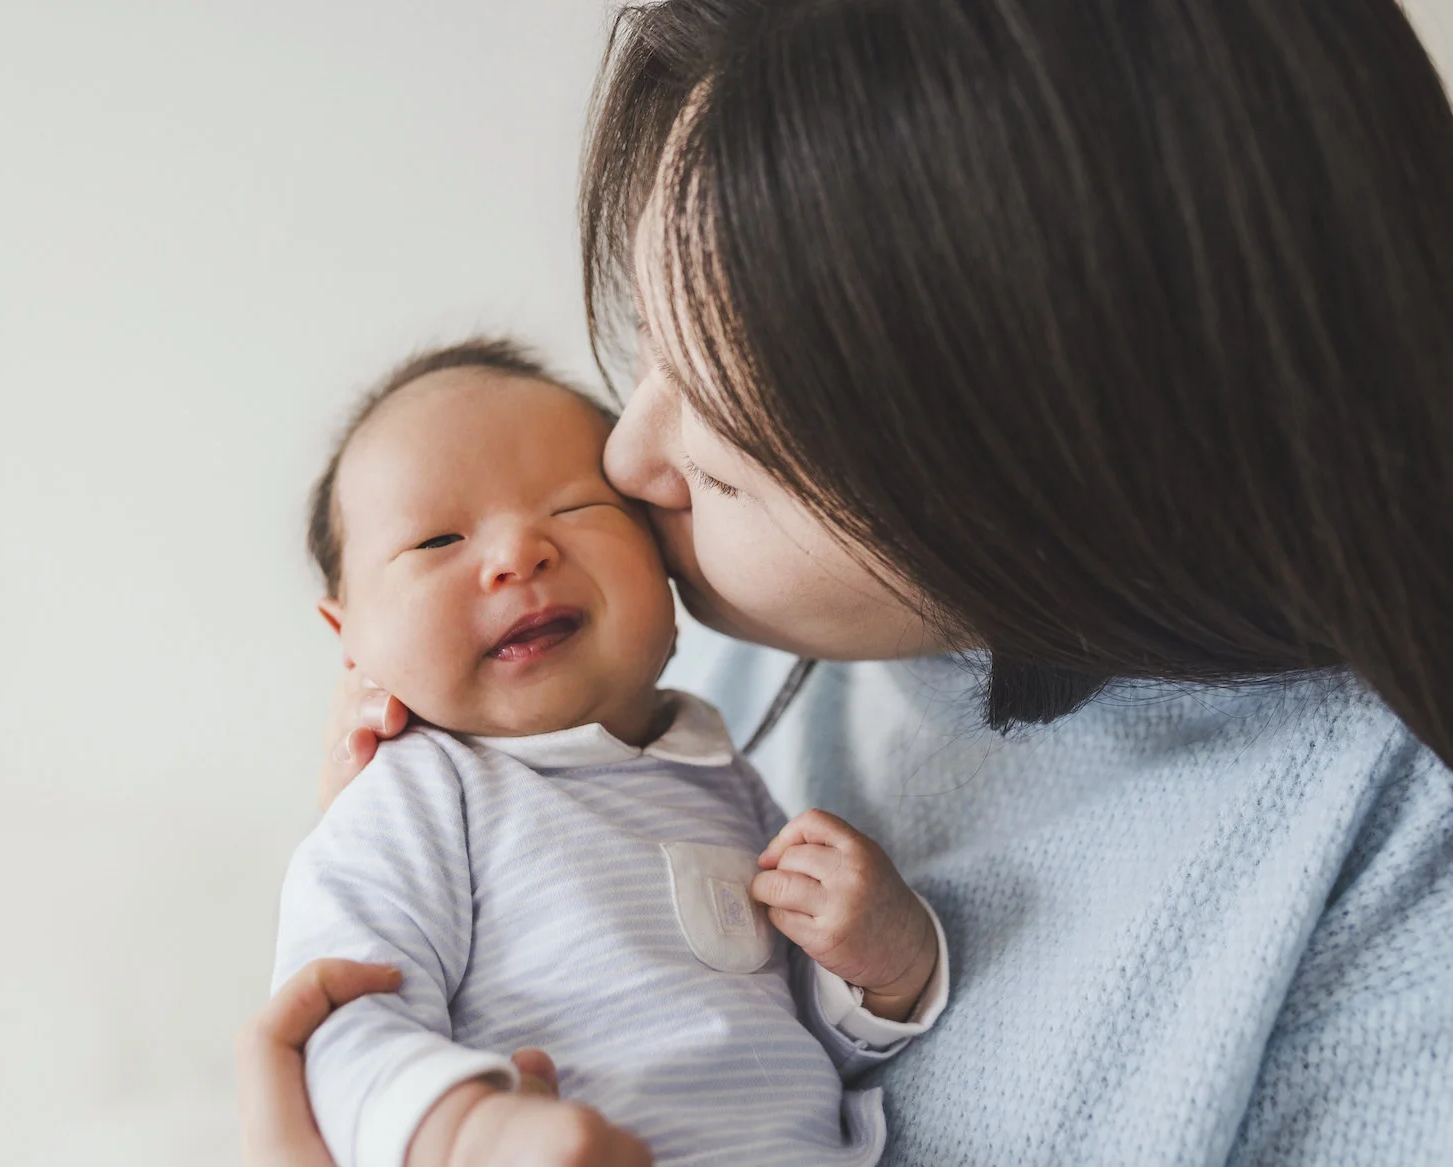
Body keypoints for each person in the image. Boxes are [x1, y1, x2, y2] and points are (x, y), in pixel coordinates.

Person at [244, 0, 1453, 1162]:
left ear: (1043, 488)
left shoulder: (1386, 887)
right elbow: (374, 1010)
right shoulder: (710, 647)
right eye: (648, 346)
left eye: (728, 460)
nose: (621, 460)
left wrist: (889, 966)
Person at [272, 340, 946, 1167]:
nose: (519, 553)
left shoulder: (721, 779)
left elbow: (794, 1037)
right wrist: (463, 1133)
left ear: (663, 564)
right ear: (351, 644)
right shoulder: (410, 797)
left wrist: (881, 971)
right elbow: (338, 1014)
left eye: (574, 508)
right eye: (437, 540)